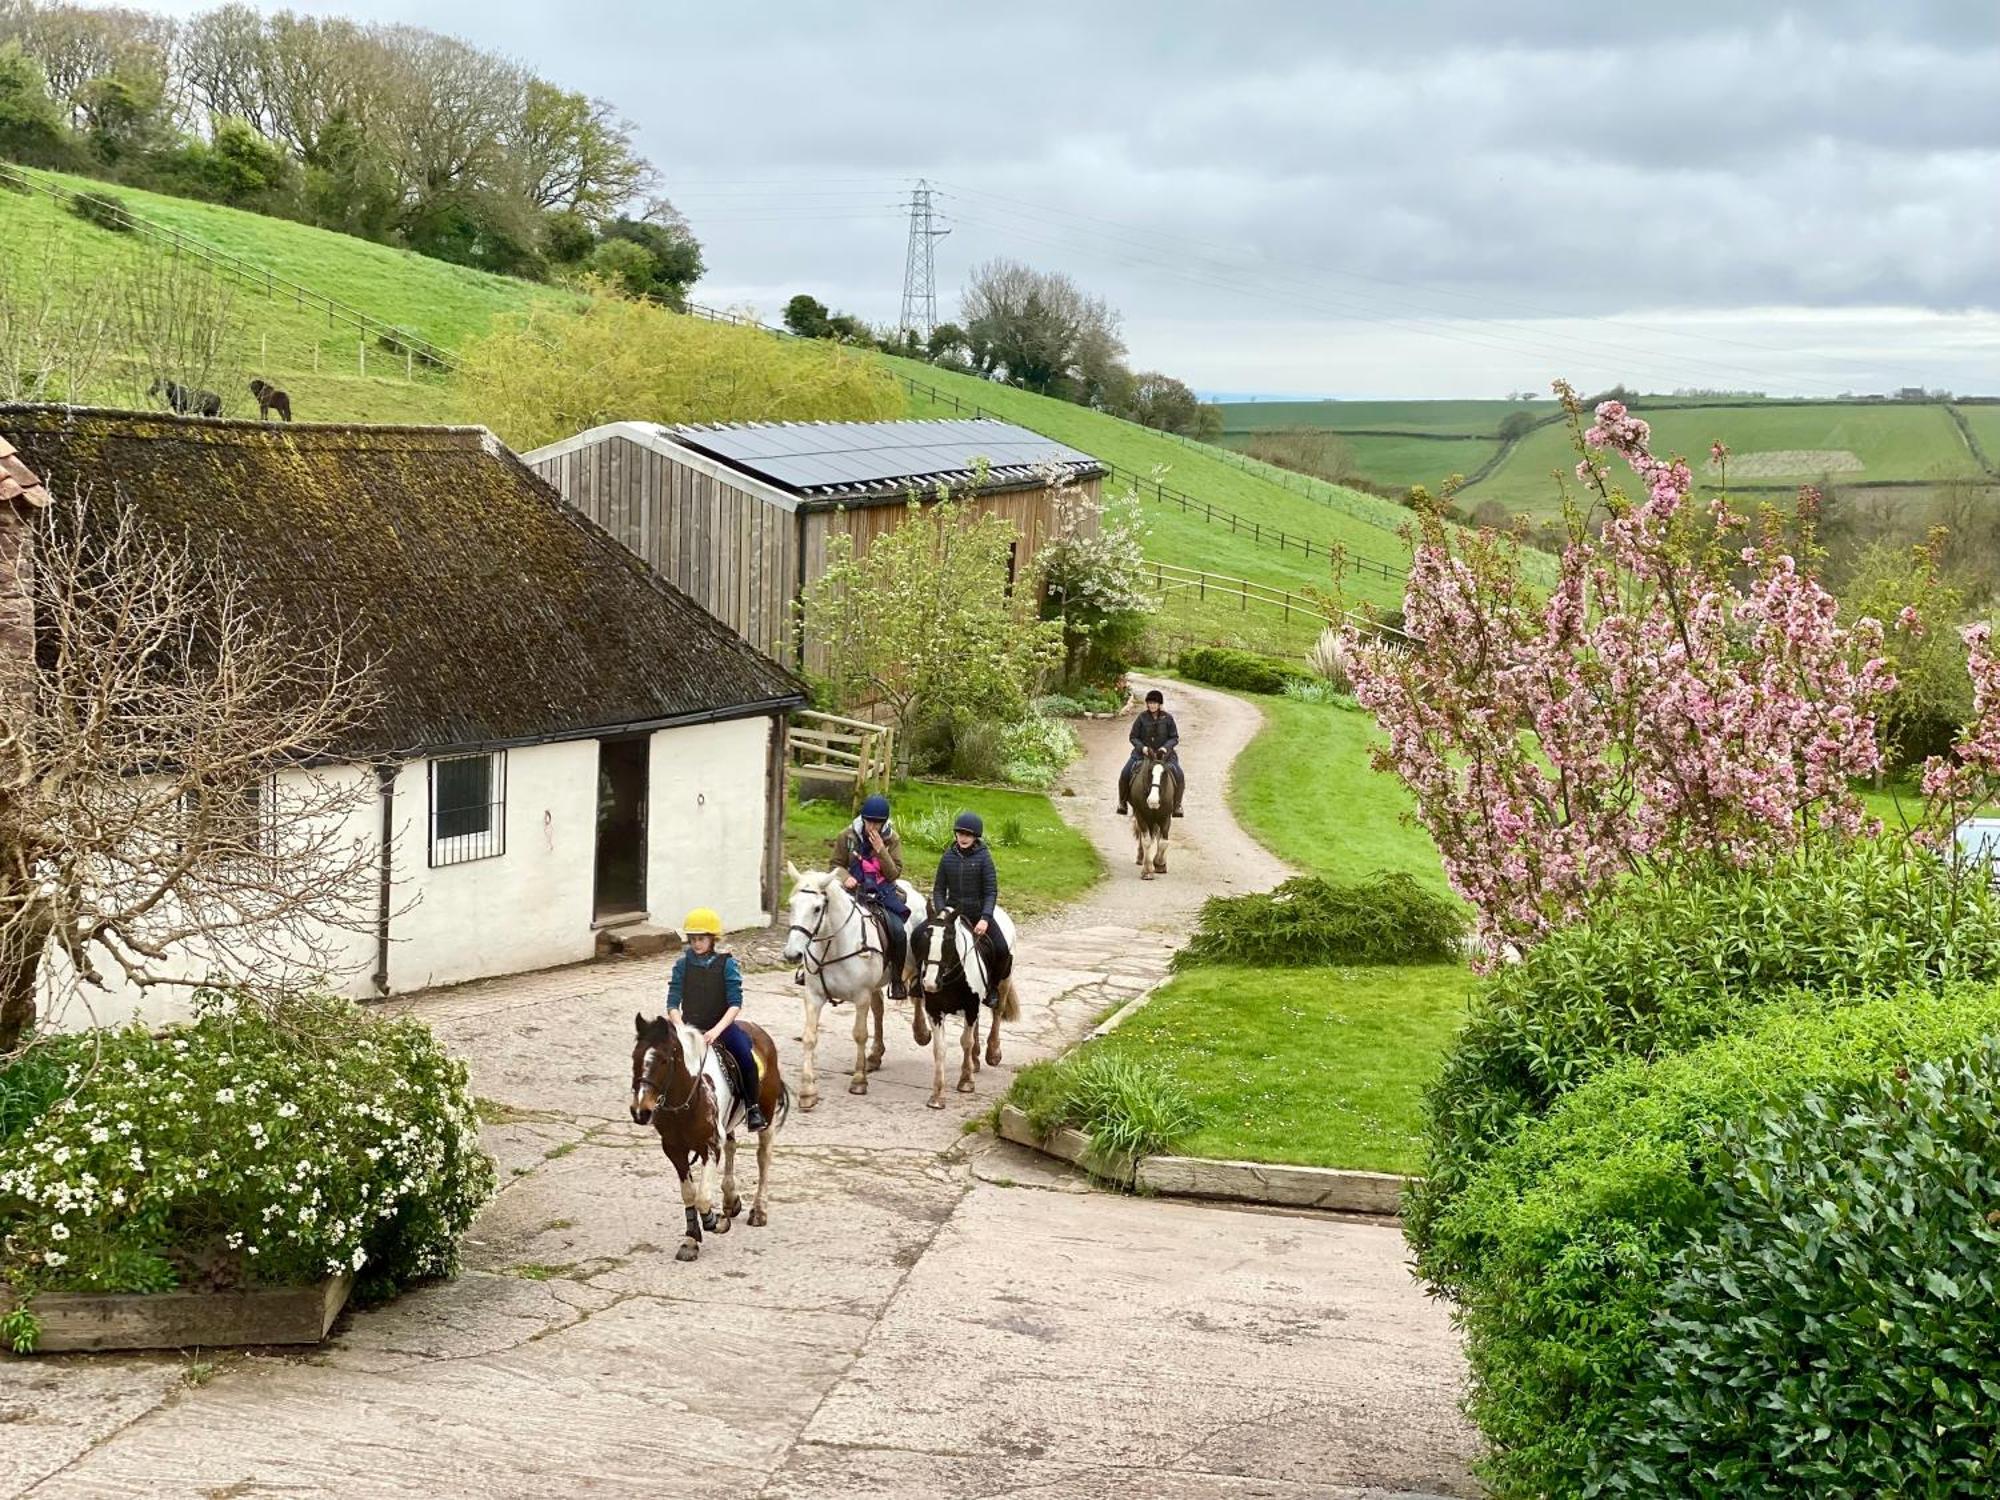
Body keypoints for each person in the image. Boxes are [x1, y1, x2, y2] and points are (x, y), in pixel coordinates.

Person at [666, 907, 767, 1131]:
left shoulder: (726, 964)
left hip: (721, 1027)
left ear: (712, 939)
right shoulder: (682, 966)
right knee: (661, 1058)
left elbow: (735, 1003)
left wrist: (716, 1031)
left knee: (744, 1055)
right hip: (690, 1027)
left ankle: (753, 1108)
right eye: (692, 939)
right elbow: (672, 1002)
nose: (696, 944)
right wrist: (681, 1028)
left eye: (701, 939)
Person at [920, 810, 1011, 997]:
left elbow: (990, 891)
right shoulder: (947, 857)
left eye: (968, 835)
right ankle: (917, 981)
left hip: (977, 913)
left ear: (975, 837)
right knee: (918, 936)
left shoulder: (984, 858)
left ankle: (992, 989)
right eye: (960, 833)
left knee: (1002, 949)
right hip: (952, 913)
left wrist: (985, 918)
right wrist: (941, 912)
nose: (963, 838)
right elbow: (939, 889)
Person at [831, 793, 910, 999]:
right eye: (869, 822)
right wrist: (845, 876)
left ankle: (896, 980)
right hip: (853, 890)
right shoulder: (847, 836)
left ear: (884, 823)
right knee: (824, 918)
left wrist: (881, 850)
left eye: (877, 823)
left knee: (898, 931)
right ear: (863, 819)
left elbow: (894, 873)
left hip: (882, 893)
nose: (872, 827)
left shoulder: (892, 839)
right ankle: (811, 968)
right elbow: (835, 864)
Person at [1118, 688, 1184, 817]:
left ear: (1160, 705)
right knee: (1125, 773)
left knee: (1179, 775)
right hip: (1143, 754)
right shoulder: (1141, 718)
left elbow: (1174, 737)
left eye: (1155, 703)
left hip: (1164, 755)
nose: (1152, 705)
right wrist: (1142, 747)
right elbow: (1133, 737)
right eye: (1150, 703)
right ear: (1147, 704)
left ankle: (1177, 806)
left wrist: (1165, 748)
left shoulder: (1168, 718)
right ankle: (1122, 803)